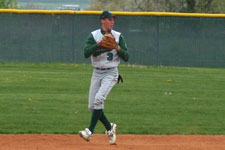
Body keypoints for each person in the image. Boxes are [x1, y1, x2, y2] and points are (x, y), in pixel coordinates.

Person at [78, 10, 129, 145]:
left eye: (113, 20)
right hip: (97, 72)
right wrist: (99, 44)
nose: (112, 22)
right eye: (110, 19)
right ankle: (109, 127)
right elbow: (86, 53)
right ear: (102, 20)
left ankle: (89, 131)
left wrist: (117, 47)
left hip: (111, 73)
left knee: (99, 100)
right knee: (92, 107)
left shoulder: (118, 36)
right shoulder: (94, 36)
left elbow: (126, 56)